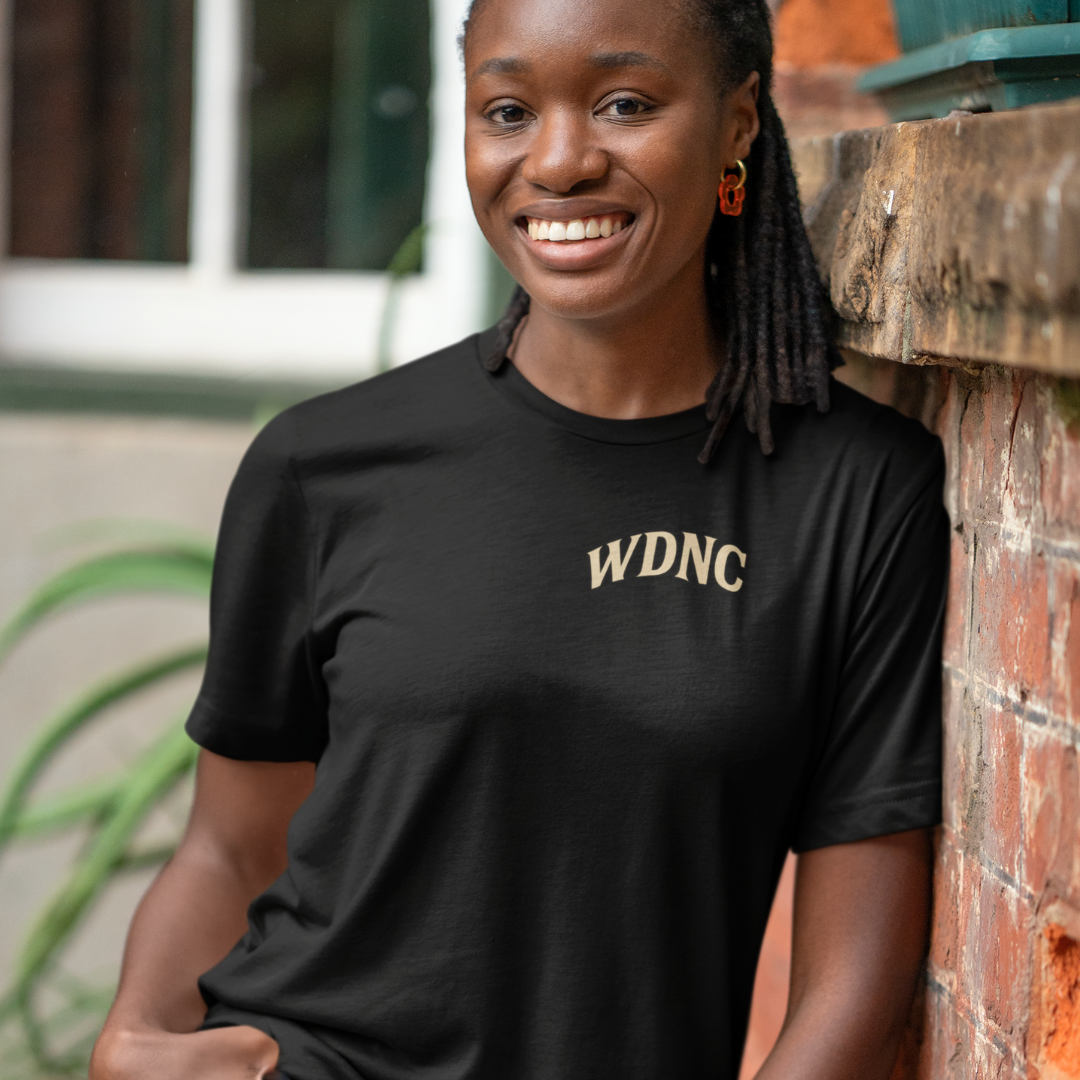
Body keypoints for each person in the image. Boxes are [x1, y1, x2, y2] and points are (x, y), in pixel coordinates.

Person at [90, 0, 949, 1077]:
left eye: (624, 104)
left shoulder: (856, 490)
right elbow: (230, 845)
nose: (557, 161)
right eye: (507, 111)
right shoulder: (323, 466)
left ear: (737, 123)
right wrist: (133, 1039)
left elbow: (856, 965)